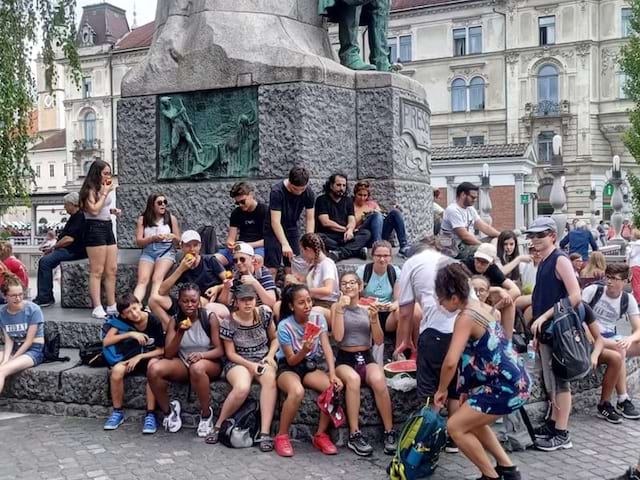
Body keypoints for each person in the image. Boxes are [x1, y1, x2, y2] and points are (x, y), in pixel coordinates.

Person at [434, 263, 529, 480]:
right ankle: (507, 469)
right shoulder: (480, 307)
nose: (439, 302)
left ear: (455, 297)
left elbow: (451, 361)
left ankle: (491, 476)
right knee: (472, 420)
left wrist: (441, 390)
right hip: (514, 380)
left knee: (455, 427)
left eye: (441, 297)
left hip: (506, 386)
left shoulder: (466, 316)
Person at [526, 217, 591, 451]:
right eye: (532, 236)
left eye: (539, 235)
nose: (535, 240)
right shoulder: (544, 261)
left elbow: (575, 296)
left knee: (560, 382)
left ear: (553, 235)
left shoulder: (559, 259)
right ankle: (554, 423)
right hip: (546, 331)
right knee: (550, 380)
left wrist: (545, 317)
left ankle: (562, 432)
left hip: (559, 331)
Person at [393, 239, 461, 453]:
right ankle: (453, 438)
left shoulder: (411, 264)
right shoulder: (450, 261)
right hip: (461, 330)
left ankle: (429, 440)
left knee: (430, 390)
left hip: (434, 332)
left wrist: (404, 340)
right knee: (454, 389)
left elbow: (405, 312)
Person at [331, 272, 397, 456]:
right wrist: (339, 309)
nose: (348, 286)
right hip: (345, 357)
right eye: (344, 283)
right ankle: (354, 433)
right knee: (352, 380)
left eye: (352, 283)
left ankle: (389, 431)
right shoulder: (337, 307)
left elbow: (378, 340)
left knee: (378, 380)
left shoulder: (367, 308)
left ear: (360, 287)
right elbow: (338, 337)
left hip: (366, 355)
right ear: (340, 288)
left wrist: (375, 319)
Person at [274, 284, 343, 457]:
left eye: (309, 301)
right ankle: (282, 435)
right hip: (288, 366)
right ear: (291, 306)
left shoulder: (318, 318)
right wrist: (304, 350)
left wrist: (332, 374)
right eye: (301, 302)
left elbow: (327, 347)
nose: (307, 305)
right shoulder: (284, 326)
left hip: (310, 364)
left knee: (331, 388)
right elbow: (290, 359)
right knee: (297, 391)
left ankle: (320, 435)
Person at [147, 283, 224, 437]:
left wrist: (202, 355)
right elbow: (168, 354)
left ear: (199, 301)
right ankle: (169, 411)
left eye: (193, 301)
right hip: (183, 363)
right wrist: (180, 333)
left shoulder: (209, 318)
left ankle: (205, 414)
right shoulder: (175, 321)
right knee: (154, 369)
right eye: (185, 301)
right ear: (179, 302)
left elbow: (219, 350)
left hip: (209, 363)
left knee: (197, 367)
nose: (189, 305)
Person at [210, 284, 278, 451]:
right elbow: (231, 354)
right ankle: (218, 425)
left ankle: (264, 432)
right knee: (242, 387)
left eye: (251, 299)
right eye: (243, 300)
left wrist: (269, 357)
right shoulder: (229, 322)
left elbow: (275, 339)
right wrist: (250, 366)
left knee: (269, 380)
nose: (248, 303)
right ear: (236, 302)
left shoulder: (264, 314)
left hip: (262, 358)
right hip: (239, 361)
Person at [582, 263, 640, 420]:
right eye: (608, 277)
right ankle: (623, 399)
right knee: (619, 350)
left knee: (626, 345)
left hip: (610, 337)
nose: (609, 282)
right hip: (589, 336)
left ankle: (620, 401)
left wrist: (630, 338)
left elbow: (638, 329)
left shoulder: (627, 299)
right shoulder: (593, 291)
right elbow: (578, 316)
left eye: (614, 279)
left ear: (625, 281)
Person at [102, 294, 165, 433]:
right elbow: (106, 341)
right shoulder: (121, 321)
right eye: (128, 312)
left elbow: (161, 350)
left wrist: (141, 356)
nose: (134, 314)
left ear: (140, 305)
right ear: (123, 315)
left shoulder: (153, 321)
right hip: (128, 356)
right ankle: (117, 411)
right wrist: (130, 334)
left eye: (135, 308)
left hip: (148, 356)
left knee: (153, 369)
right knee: (117, 371)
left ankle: (150, 414)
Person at [150, 230, 227, 330]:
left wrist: (218, 288)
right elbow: (161, 291)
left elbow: (230, 279)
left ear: (200, 246)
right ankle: (172, 329)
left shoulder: (210, 260)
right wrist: (181, 269)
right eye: (188, 246)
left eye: (195, 245)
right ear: (181, 247)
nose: (192, 249)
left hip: (208, 303)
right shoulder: (181, 266)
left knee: (196, 300)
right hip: (188, 304)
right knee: (153, 300)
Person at [80, 160, 120, 319]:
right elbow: (94, 210)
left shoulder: (102, 188)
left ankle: (111, 304)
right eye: (105, 173)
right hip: (94, 228)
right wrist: (104, 193)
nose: (107, 176)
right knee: (97, 270)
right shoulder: (89, 189)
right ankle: (97, 306)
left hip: (107, 226)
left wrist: (112, 210)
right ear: (97, 173)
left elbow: (101, 208)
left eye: (109, 173)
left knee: (112, 269)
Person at [34, 193, 87, 307]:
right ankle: (43, 296)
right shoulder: (75, 216)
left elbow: (69, 239)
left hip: (73, 251)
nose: (64, 207)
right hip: (68, 249)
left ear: (73, 204)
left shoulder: (79, 217)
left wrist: (53, 247)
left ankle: (45, 297)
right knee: (44, 261)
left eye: (66, 204)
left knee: (45, 262)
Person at [264, 166, 315, 278]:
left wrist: (309, 238)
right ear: (290, 182)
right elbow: (275, 221)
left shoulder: (308, 192)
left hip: (291, 227)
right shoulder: (277, 191)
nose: (299, 192)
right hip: (273, 229)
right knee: (272, 266)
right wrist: (284, 244)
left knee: (292, 265)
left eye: (302, 189)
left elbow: (310, 218)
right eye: (295, 189)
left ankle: (290, 290)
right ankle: (270, 292)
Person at [0, 273, 44, 395]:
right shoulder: (2, 312)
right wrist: (5, 358)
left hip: (32, 350)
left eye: (20, 294)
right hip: (14, 347)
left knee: (2, 370)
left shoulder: (33, 309)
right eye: (13, 295)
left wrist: (11, 360)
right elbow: (8, 340)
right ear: (5, 296)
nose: (18, 298)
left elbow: (29, 341)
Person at [133, 193, 181, 303]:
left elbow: (179, 242)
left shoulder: (171, 218)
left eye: (165, 202)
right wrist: (153, 238)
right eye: (159, 203)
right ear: (152, 205)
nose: (163, 205)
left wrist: (173, 237)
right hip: (148, 251)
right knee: (142, 280)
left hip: (166, 250)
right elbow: (139, 242)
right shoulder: (143, 219)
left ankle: (153, 304)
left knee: (157, 278)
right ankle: (135, 306)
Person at [315, 173, 370, 261]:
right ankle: (355, 250)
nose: (342, 188)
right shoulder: (321, 200)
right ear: (331, 185)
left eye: (344, 185)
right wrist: (345, 229)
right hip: (329, 236)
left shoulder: (348, 201)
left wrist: (350, 230)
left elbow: (351, 220)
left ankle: (339, 253)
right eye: (338, 185)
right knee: (318, 237)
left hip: (345, 237)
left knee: (366, 233)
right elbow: (325, 222)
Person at [439, 182, 500, 259]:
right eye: (473, 197)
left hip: (468, 245)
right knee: (487, 253)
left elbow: (485, 227)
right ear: (463, 195)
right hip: (455, 250)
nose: (475, 200)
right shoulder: (452, 210)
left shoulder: (470, 208)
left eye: (476, 197)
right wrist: (484, 247)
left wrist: (501, 235)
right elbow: (464, 236)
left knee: (497, 239)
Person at [215, 182, 267, 267]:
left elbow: (268, 240)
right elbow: (231, 238)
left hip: (258, 248)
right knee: (214, 260)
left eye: (243, 201)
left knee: (256, 260)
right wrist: (230, 244)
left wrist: (246, 246)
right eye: (237, 203)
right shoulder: (236, 213)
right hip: (240, 248)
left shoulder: (264, 211)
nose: (240, 205)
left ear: (251, 195)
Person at [352, 180, 410, 257]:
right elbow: (352, 224)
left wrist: (382, 213)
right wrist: (366, 214)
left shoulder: (372, 204)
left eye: (365, 195)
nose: (362, 198)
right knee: (376, 215)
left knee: (395, 213)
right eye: (360, 195)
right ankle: (377, 248)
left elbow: (380, 219)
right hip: (364, 236)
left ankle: (403, 246)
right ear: (355, 194)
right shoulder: (351, 206)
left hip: (378, 234)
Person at [215, 242, 277, 309]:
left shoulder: (262, 272)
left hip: (258, 309)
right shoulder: (235, 274)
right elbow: (224, 303)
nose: (238, 263)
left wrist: (254, 283)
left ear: (252, 259)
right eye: (235, 260)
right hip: (240, 309)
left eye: (242, 259)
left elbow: (272, 302)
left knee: (265, 309)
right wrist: (226, 288)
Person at [299, 233, 339, 322]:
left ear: (308, 250)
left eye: (302, 251)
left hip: (327, 305)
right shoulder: (315, 265)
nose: (303, 254)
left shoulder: (327, 264)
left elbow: (328, 290)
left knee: (313, 312)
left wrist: (306, 289)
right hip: (313, 302)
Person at [627, 229, 640, 303]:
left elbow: (632, 255)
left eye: (631, 234)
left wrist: (628, 249)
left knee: (635, 283)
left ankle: (637, 300)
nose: (630, 235)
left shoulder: (635, 245)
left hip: (635, 265)